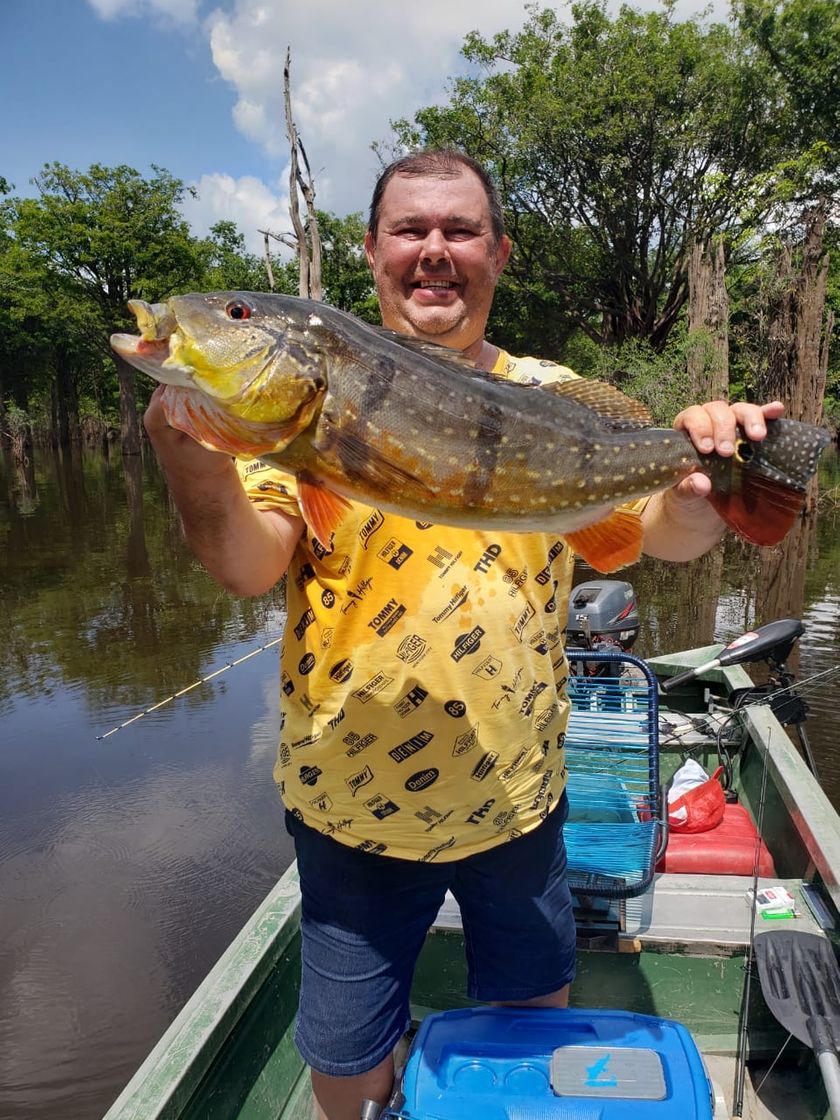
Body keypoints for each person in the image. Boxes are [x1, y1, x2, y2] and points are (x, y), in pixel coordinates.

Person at [144, 149, 783, 1120]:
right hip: (350, 805)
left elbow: (659, 537)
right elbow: (247, 563)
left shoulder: (549, 391)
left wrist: (703, 486)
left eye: (459, 231)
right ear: (370, 252)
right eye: (410, 230)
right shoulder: (286, 423)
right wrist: (191, 455)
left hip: (518, 800)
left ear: (497, 252)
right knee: (346, 1048)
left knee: (532, 1015)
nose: (433, 251)